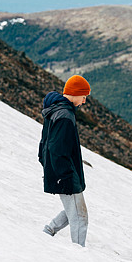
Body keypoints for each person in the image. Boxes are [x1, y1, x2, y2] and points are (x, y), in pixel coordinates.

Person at [39, 75, 90, 246]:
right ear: (75, 93)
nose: (84, 101)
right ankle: (78, 250)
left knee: (74, 210)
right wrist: (65, 175)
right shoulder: (65, 115)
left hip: (60, 171)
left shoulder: (56, 110)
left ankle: (48, 231)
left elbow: (45, 144)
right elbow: (56, 148)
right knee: (79, 215)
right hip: (65, 174)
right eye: (84, 96)